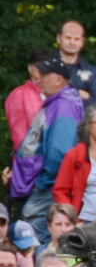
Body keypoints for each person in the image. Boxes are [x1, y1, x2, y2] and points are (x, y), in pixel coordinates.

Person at [13, 58, 85, 231]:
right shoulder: (58, 103)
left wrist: (43, 183)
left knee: (35, 234)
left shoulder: (63, 106)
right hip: (45, 184)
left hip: (47, 186)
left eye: (44, 75)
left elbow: (60, 153)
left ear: (58, 79)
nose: (39, 80)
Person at [6, 50, 51, 206]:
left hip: (53, 167)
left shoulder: (55, 95)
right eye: (38, 67)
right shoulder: (19, 95)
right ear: (30, 68)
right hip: (30, 170)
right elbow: (19, 139)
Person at [55, 19, 96, 101]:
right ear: (59, 38)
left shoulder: (94, 72)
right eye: (68, 38)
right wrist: (79, 94)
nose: (72, 42)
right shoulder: (45, 66)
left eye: (76, 39)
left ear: (82, 42)